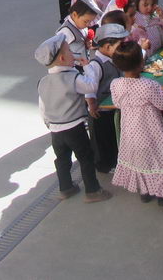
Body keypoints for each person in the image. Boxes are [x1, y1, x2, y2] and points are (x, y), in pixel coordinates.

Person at [109, 39, 163, 208]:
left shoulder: (116, 84)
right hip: (150, 130)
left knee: (139, 159)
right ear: (141, 63)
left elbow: (117, 103)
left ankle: (144, 190)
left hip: (130, 130)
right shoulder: (149, 85)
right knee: (160, 160)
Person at [35, 35, 112, 203]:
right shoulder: (73, 77)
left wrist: (49, 123)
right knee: (85, 158)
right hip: (74, 128)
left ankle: (65, 188)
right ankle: (92, 190)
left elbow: (43, 107)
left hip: (56, 130)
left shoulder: (43, 82)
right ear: (63, 58)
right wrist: (88, 67)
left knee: (62, 159)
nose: (73, 53)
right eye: (69, 51)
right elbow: (91, 86)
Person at [85, 22, 129, 175]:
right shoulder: (95, 65)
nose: (122, 49)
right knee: (101, 139)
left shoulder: (112, 59)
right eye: (120, 45)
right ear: (108, 47)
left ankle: (115, 160)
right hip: (100, 110)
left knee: (112, 135)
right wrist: (91, 104)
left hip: (112, 106)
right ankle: (103, 164)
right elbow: (89, 87)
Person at [57, 0, 101, 66]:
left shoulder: (80, 25)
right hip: (73, 66)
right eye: (86, 21)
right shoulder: (66, 31)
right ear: (74, 15)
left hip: (83, 62)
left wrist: (87, 41)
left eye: (90, 22)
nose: (88, 24)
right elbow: (57, 49)